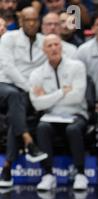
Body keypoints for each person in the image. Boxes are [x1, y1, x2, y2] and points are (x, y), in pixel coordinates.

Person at [29, 34, 88, 191]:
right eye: (49, 46)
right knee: (42, 127)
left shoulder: (77, 66)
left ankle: (80, 174)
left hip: (76, 114)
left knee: (73, 129)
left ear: (61, 46)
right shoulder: (37, 73)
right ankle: (48, 175)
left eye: (56, 44)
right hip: (50, 116)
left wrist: (47, 97)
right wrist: (62, 92)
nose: (54, 48)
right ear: (43, 50)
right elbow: (37, 104)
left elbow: (77, 97)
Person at [0, 7, 48, 188]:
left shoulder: (44, 42)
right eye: (28, 20)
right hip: (4, 85)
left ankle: (7, 169)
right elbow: (8, 68)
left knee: (16, 117)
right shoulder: (8, 38)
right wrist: (30, 88)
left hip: (25, 95)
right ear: (21, 21)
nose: (31, 23)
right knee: (14, 96)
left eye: (35, 20)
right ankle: (29, 141)